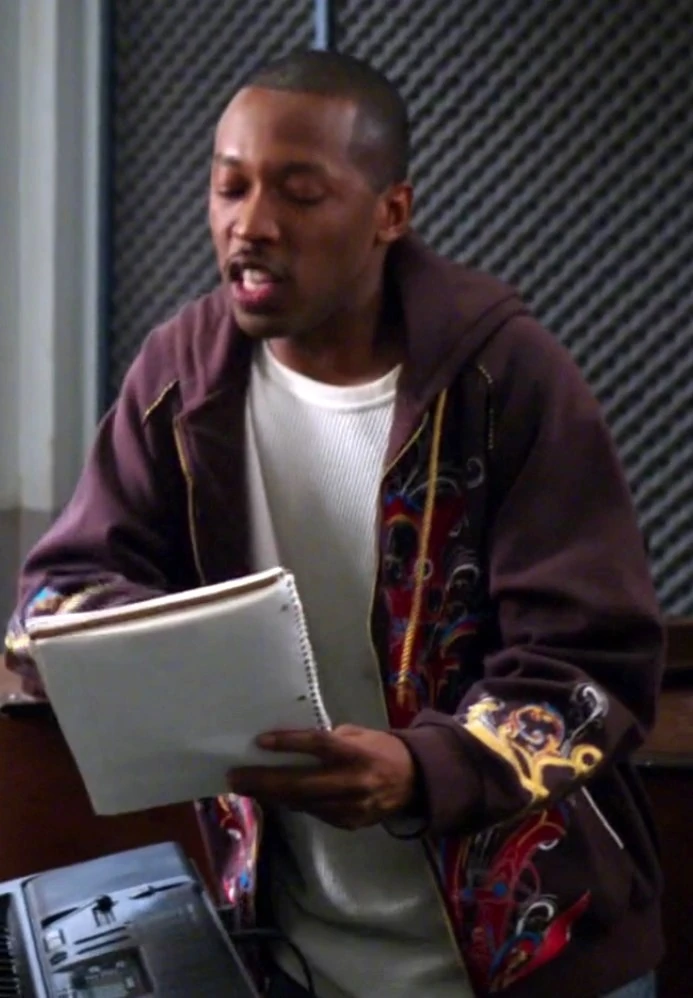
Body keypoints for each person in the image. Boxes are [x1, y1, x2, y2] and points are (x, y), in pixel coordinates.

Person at [5, 50, 663, 998]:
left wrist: (419, 769)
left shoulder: (505, 380)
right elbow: (52, 600)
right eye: (229, 187)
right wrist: (142, 655)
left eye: (300, 193)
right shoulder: (180, 377)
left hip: (539, 958)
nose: (250, 223)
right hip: (289, 952)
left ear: (390, 212)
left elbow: (590, 663)